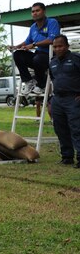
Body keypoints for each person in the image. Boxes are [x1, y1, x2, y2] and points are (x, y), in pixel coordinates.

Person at [8, 2, 60, 95]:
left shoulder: (52, 22)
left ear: (43, 11)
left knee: (38, 58)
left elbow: (52, 40)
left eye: (37, 10)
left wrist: (34, 44)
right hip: (38, 56)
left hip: (50, 57)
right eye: (33, 11)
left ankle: (41, 85)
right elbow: (27, 41)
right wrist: (16, 47)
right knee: (17, 54)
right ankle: (29, 81)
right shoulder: (33, 27)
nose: (35, 13)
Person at [49, 35, 80, 168]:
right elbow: (53, 78)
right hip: (58, 99)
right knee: (60, 128)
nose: (58, 49)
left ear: (67, 46)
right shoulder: (52, 62)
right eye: (55, 46)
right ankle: (67, 156)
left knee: (77, 128)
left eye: (60, 46)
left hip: (73, 98)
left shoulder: (76, 59)